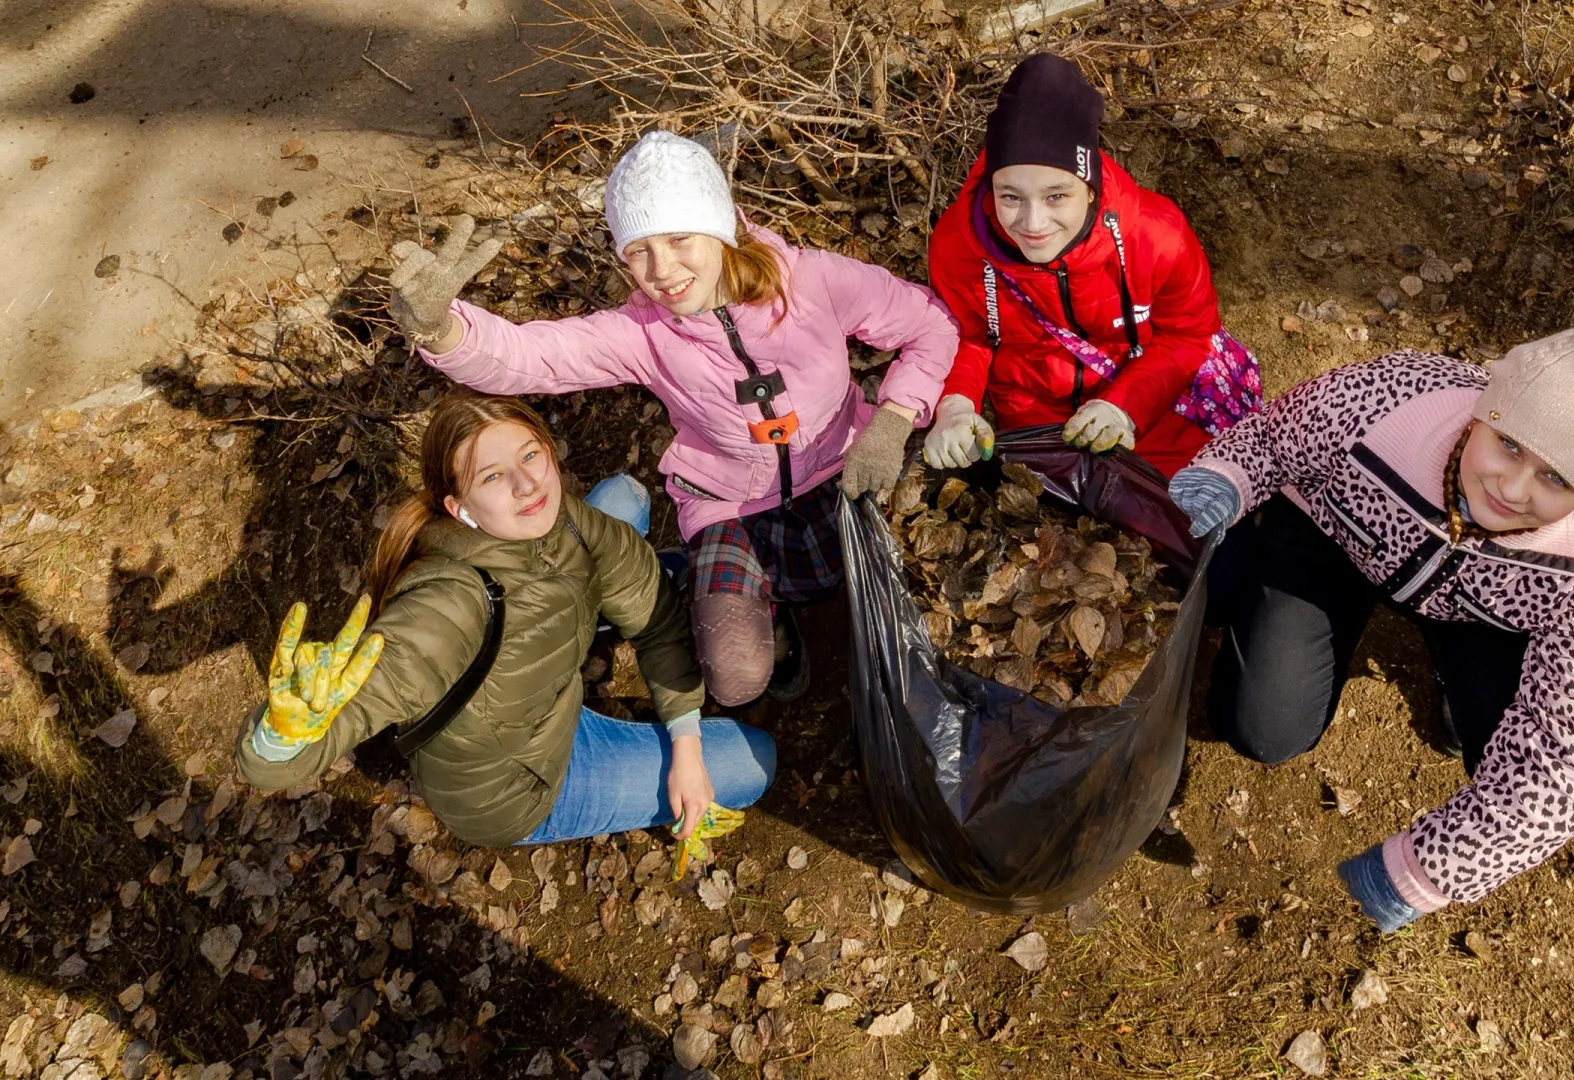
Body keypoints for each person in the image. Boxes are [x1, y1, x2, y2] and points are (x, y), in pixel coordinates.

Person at [386, 131, 960, 705]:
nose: (662, 270)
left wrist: (895, 418)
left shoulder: (813, 282)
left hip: (846, 469)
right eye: (638, 250)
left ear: (718, 226)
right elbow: (533, 358)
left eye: (680, 238)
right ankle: (774, 627)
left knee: (900, 589)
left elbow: (929, 326)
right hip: (732, 504)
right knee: (735, 677)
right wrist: (442, 328)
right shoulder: (644, 333)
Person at [1167, 329, 1574, 932]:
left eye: (1558, 479)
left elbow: (1571, 757)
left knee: (1498, 742)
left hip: (1480, 611)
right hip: (1333, 543)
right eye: (1509, 444)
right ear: (1484, 410)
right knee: (1264, 730)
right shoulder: (1387, 401)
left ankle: (1452, 670)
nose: (1512, 490)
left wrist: (1427, 869)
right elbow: (1273, 437)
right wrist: (1225, 476)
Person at [235, 391, 776, 851]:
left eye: (530, 456)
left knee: (624, 499)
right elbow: (287, 757)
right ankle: (587, 631)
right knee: (754, 762)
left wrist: (684, 744)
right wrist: (282, 739)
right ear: (459, 508)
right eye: (493, 476)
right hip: (522, 785)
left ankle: (586, 619)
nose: (527, 485)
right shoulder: (449, 606)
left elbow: (658, 618)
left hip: (546, 696)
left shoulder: (564, 519)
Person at [921, 52, 1260, 478]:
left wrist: (1124, 406)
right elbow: (967, 336)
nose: (1032, 224)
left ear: (1091, 186)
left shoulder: (1157, 235)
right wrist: (955, 404)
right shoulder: (958, 245)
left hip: (1153, 400)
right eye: (1010, 196)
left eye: (1056, 196)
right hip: (1032, 420)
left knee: (1193, 518)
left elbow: (1189, 335)